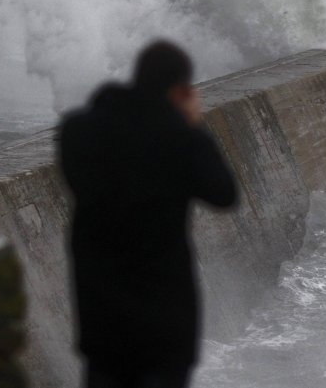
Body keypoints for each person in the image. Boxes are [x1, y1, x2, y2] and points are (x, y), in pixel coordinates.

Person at [58, 40, 238, 388]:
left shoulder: (78, 131)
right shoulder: (181, 139)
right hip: (165, 327)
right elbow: (223, 194)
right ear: (182, 90)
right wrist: (192, 125)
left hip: (102, 321)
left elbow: (81, 172)